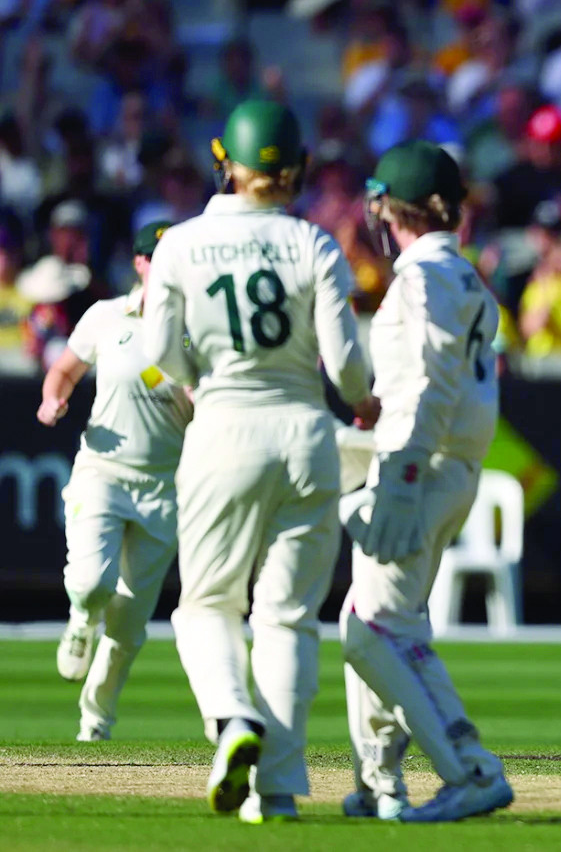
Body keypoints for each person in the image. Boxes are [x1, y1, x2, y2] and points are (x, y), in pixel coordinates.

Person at [142, 100, 379, 822]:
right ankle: (275, 789)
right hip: (307, 434)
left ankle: (232, 715)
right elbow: (345, 366)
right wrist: (364, 402)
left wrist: (199, 377)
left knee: (206, 604)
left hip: (224, 426)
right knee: (287, 617)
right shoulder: (313, 242)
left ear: (226, 163)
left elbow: (159, 355)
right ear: (297, 168)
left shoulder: (180, 242)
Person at [338, 140, 512, 823]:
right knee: (383, 614)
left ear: (394, 210)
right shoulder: (467, 277)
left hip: (423, 465)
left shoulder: (421, 276)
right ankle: (377, 779)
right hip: (444, 463)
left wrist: (403, 473)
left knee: (374, 627)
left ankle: (471, 768)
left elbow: (433, 378)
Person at [38, 221, 189, 742]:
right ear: (142, 264)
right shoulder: (107, 316)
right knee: (91, 583)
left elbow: (208, 407)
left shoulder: (198, 328)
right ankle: (81, 618)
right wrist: (51, 398)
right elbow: (64, 370)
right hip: (103, 471)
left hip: (165, 487)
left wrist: (190, 391)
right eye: (160, 258)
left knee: (127, 627)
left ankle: (95, 723)